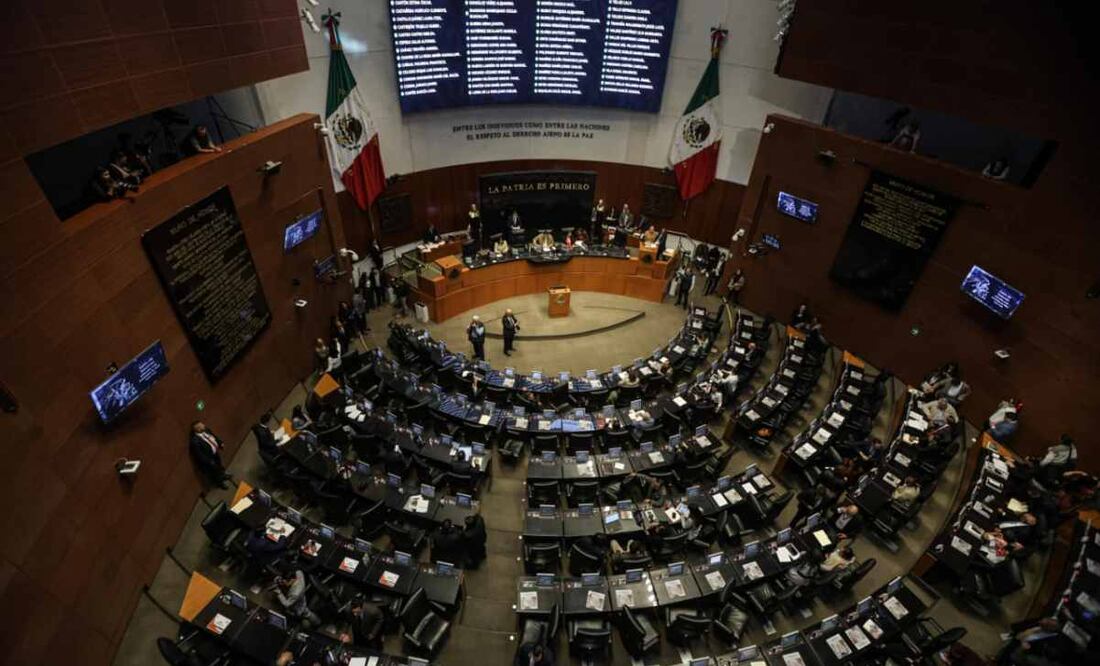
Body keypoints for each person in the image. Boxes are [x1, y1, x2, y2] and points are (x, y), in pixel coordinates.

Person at [189, 421, 232, 488]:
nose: (204, 425)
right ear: (198, 429)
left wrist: (220, 443)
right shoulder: (195, 441)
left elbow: (214, 437)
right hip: (209, 458)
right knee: (215, 471)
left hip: (215, 453)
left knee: (219, 466)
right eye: (201, 425)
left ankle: (223, 475)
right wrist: (209, 461)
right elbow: (200, 454)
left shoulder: (206, 430)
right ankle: (220, 483)